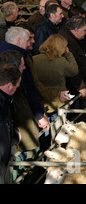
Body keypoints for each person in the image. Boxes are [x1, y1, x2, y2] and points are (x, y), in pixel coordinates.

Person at [0, 27, 51, 156]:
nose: (33, 42)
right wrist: (39, 114)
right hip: (19, 121)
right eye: (29, 38)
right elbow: (30, 89)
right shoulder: (19, 57)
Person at [33, 34, 78, 115]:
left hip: (40, 101)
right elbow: (74, 71)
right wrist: (69, 54)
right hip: (59, 102)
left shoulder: (33, 60)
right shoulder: (62, 61)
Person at [0, 61, 22, 184]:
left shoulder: (6, 101)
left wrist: (13, 135)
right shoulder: (3, 104)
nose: (16, 90)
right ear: (9, 86)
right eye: (16, 87)